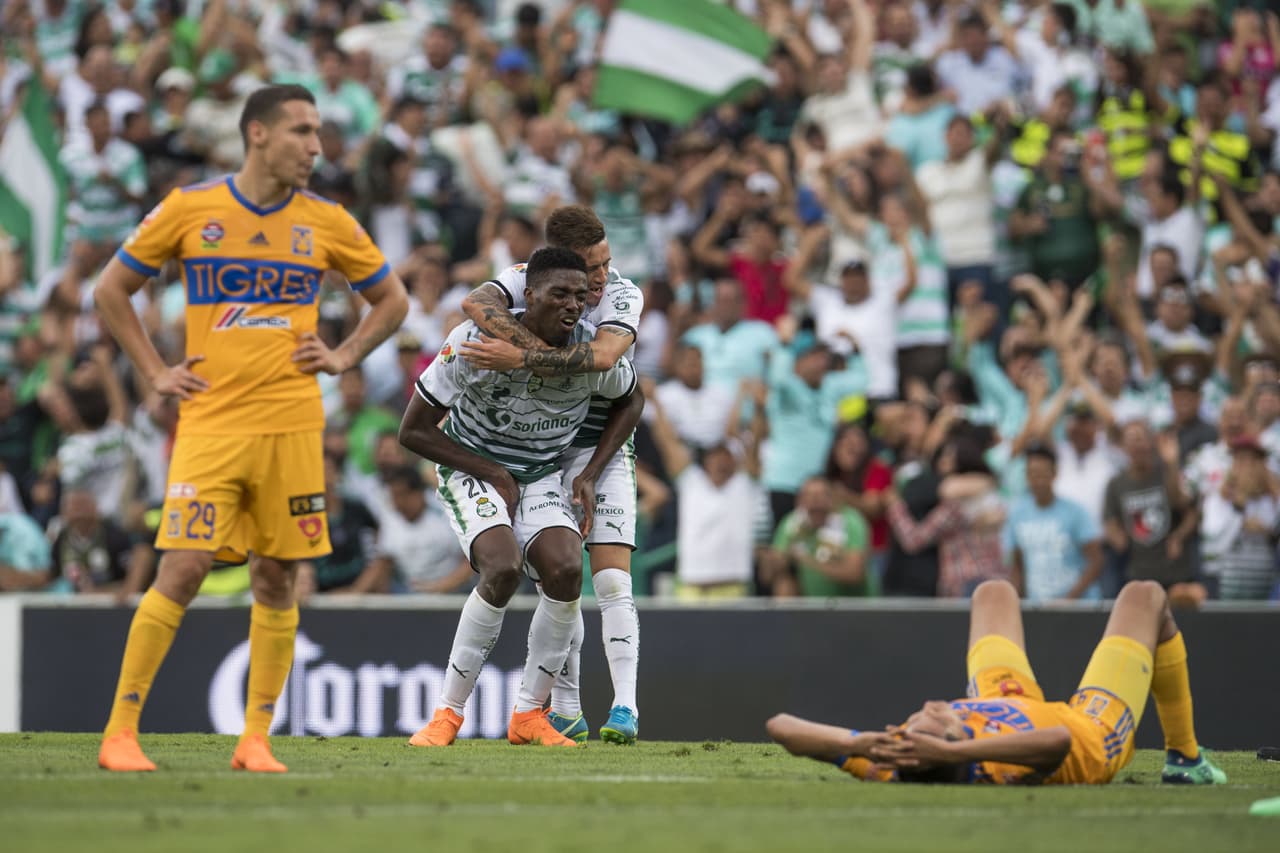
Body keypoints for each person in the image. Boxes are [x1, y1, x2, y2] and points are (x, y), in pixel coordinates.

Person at [94, 84, 410, 774]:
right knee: (182, 564)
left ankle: (254, 739)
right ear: (258, 134)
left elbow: (393, 299)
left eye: (320, 133)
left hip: (294, 426)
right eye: (302, 131)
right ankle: (120, 731)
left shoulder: (326, 221)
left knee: (277, 577)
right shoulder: (190, 209)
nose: (316, 146)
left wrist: (345, 353)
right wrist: (153, 371)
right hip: (210, 423)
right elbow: (111, 289)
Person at [398, 247, 644, 749]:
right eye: (560, 294)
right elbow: (413, 431)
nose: (573, 305)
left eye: (580, 296)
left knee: (567, 567)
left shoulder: (586, 353)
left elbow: (632, 397)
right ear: (528, 294)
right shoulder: (472, 340)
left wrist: (592, 472)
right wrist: (492, 471)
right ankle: (447, 713)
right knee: (503, 567)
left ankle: (529, 714)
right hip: (472, 465)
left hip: (539, 473)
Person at [456, 204, 648, 745]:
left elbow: (609, 356)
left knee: (611, 579)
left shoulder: (624, 295)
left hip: (601, 446)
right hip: (544, 447)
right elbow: (475, 304)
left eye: (607, 262)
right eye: (592, 268)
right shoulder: (528, 281)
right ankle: (566, 708)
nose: (602, 277)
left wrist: (522, 358)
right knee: (559, 580)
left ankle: (626, 708)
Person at [767, 578, 1228, 786]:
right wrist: (952, 752)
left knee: (993, 592)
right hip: (1092, 729)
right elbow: (1057, 741)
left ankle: (1186, 759)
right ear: (952, 743)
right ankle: (1185, 759)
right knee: (1145, 595)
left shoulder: (892, 758)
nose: (930, 704)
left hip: (1002, 700)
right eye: (936, 718)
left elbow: (782, 726)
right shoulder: (994, 768)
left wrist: (863, 741)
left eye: (916, 720)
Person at [1002, 443, 1104, 602]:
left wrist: (1069, 599)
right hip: (1037, 606)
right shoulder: (1017, 514)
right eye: (1032, 474)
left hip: (1078, 606)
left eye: (1042, 474)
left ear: (1054, 473)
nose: (1038, 481)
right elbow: (1017, 565)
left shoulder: (1076, 512)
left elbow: (1096, 560)